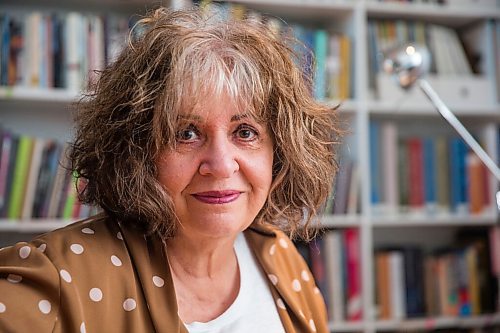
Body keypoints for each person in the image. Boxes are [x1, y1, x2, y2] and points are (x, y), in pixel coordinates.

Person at [0, 6, 341, 333]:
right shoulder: (58, 278)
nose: (221, 165)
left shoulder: (281, 256)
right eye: (186, 133)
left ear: (279, 152)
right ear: (136, 151)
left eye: (245, 132)